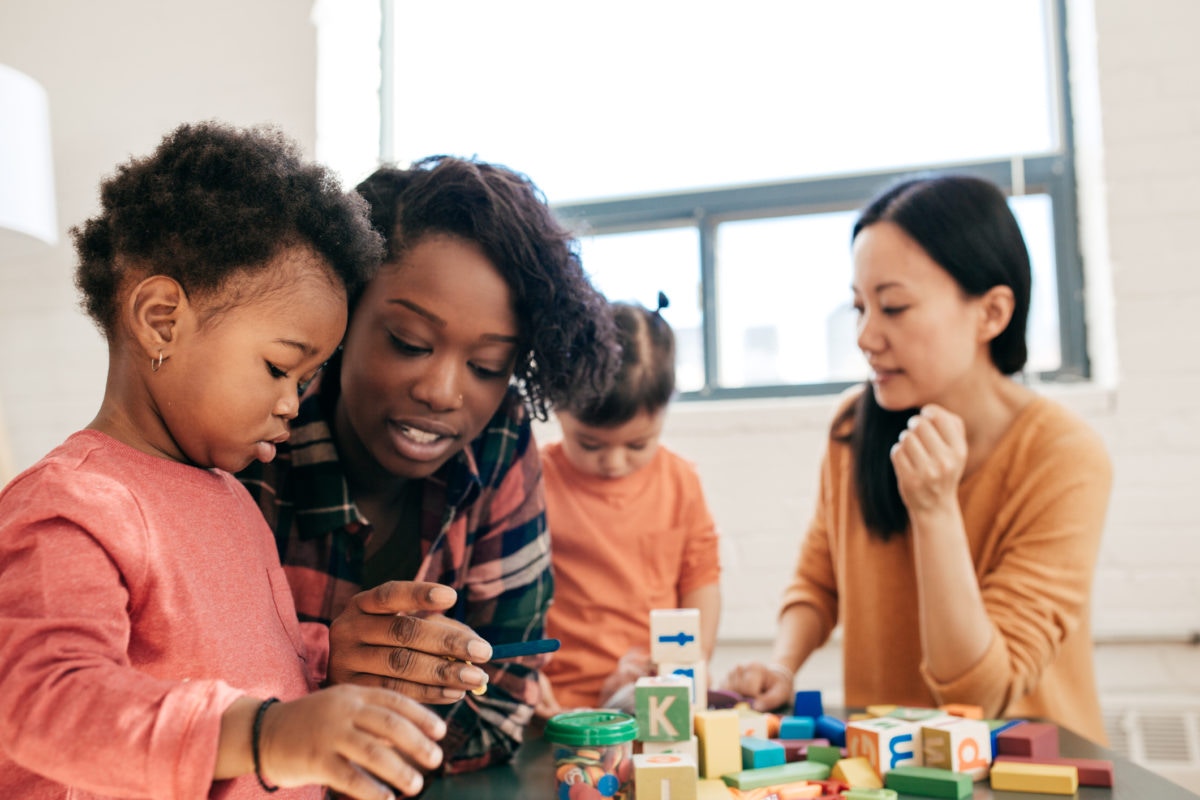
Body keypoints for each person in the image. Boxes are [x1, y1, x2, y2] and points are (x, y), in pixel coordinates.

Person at [0, 122, 448, 799]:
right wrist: (267, 735)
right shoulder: (72, 503)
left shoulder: (234, 500)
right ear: (160, 320)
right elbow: (43, 700)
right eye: (278, 367)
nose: (292, 404)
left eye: (304, 382)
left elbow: (242, 665)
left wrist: (335, 664)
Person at [237, 155, 621, 773]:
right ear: (343, 316)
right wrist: (320, 672)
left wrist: (337, 710)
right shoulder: (250, 441)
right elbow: (178, 701)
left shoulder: (500, 437)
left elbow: (503, 706)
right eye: (410, 343)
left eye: (488, 366)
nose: (444, 392)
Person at [721, 174, 1112, 744]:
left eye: (894, 307)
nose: (865, 335)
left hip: (1022, 775)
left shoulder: (1064, 457)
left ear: (992, 313)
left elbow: (977, 696)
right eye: (859, 306)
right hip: (888, 770)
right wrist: (782, 666)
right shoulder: (855, 425)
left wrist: (934, 510)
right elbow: (820, 576)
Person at [536, 294, 722, 717]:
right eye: (590, 444)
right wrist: (520, 673)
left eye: (638, 444)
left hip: (655, 700)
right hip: (559, 707)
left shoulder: (680, 482)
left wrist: (696, 661)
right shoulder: (534, 479)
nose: (614, 462)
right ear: (558, 407)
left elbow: (701, 579)